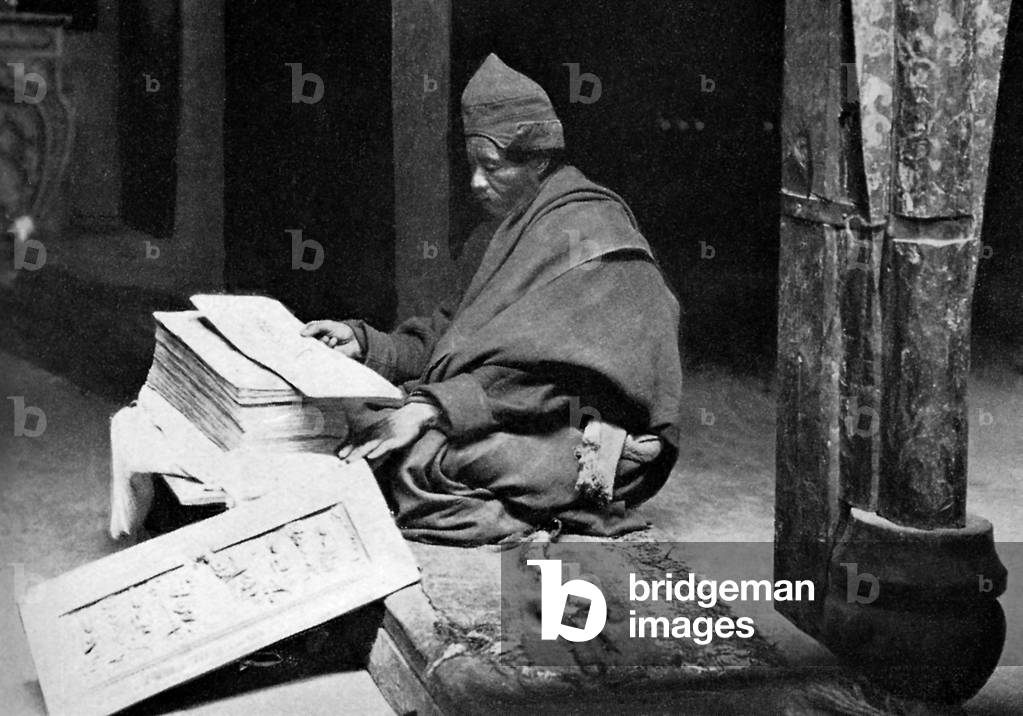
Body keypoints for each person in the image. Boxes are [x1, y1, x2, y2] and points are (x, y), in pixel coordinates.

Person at [301, 54, 682, 545]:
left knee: (423, 460)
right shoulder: (497, 234)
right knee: (362, 423)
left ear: (540, 160)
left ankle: (571, 497)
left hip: (585, 430)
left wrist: (431, 409)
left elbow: (553, 381)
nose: (477, 183)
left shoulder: (591, 234)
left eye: (493, 167)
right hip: (513, 415)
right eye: (472, 166)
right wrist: (367, 345)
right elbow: (454, 334)